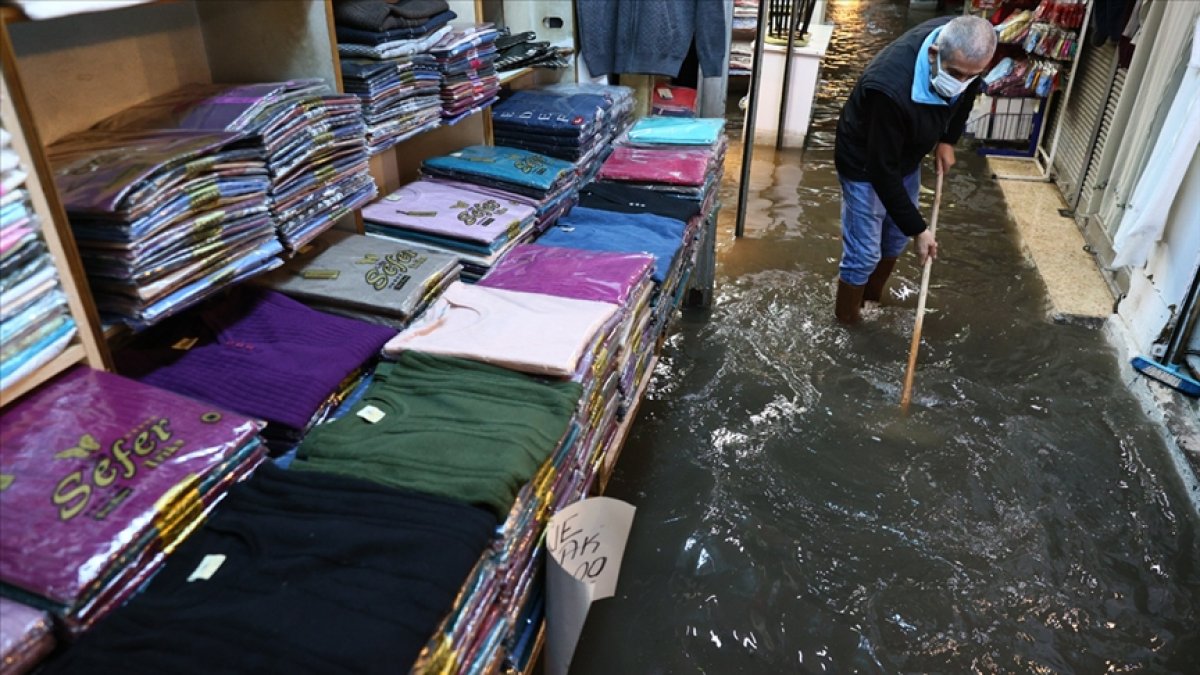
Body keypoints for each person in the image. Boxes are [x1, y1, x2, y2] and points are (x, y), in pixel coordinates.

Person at [833, 15, 997, 324]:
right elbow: (882, 170)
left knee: (894, 240)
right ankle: (847, 323)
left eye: (970, 75)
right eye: (954, 73)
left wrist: (948, 140)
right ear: (934, 54)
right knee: (864, 253)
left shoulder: (967, 46)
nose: (961, 81)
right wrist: (920, 230)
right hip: (865, 161)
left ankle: (870, 302)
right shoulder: (888, 87)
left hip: (906, 153)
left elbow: (966, 94)